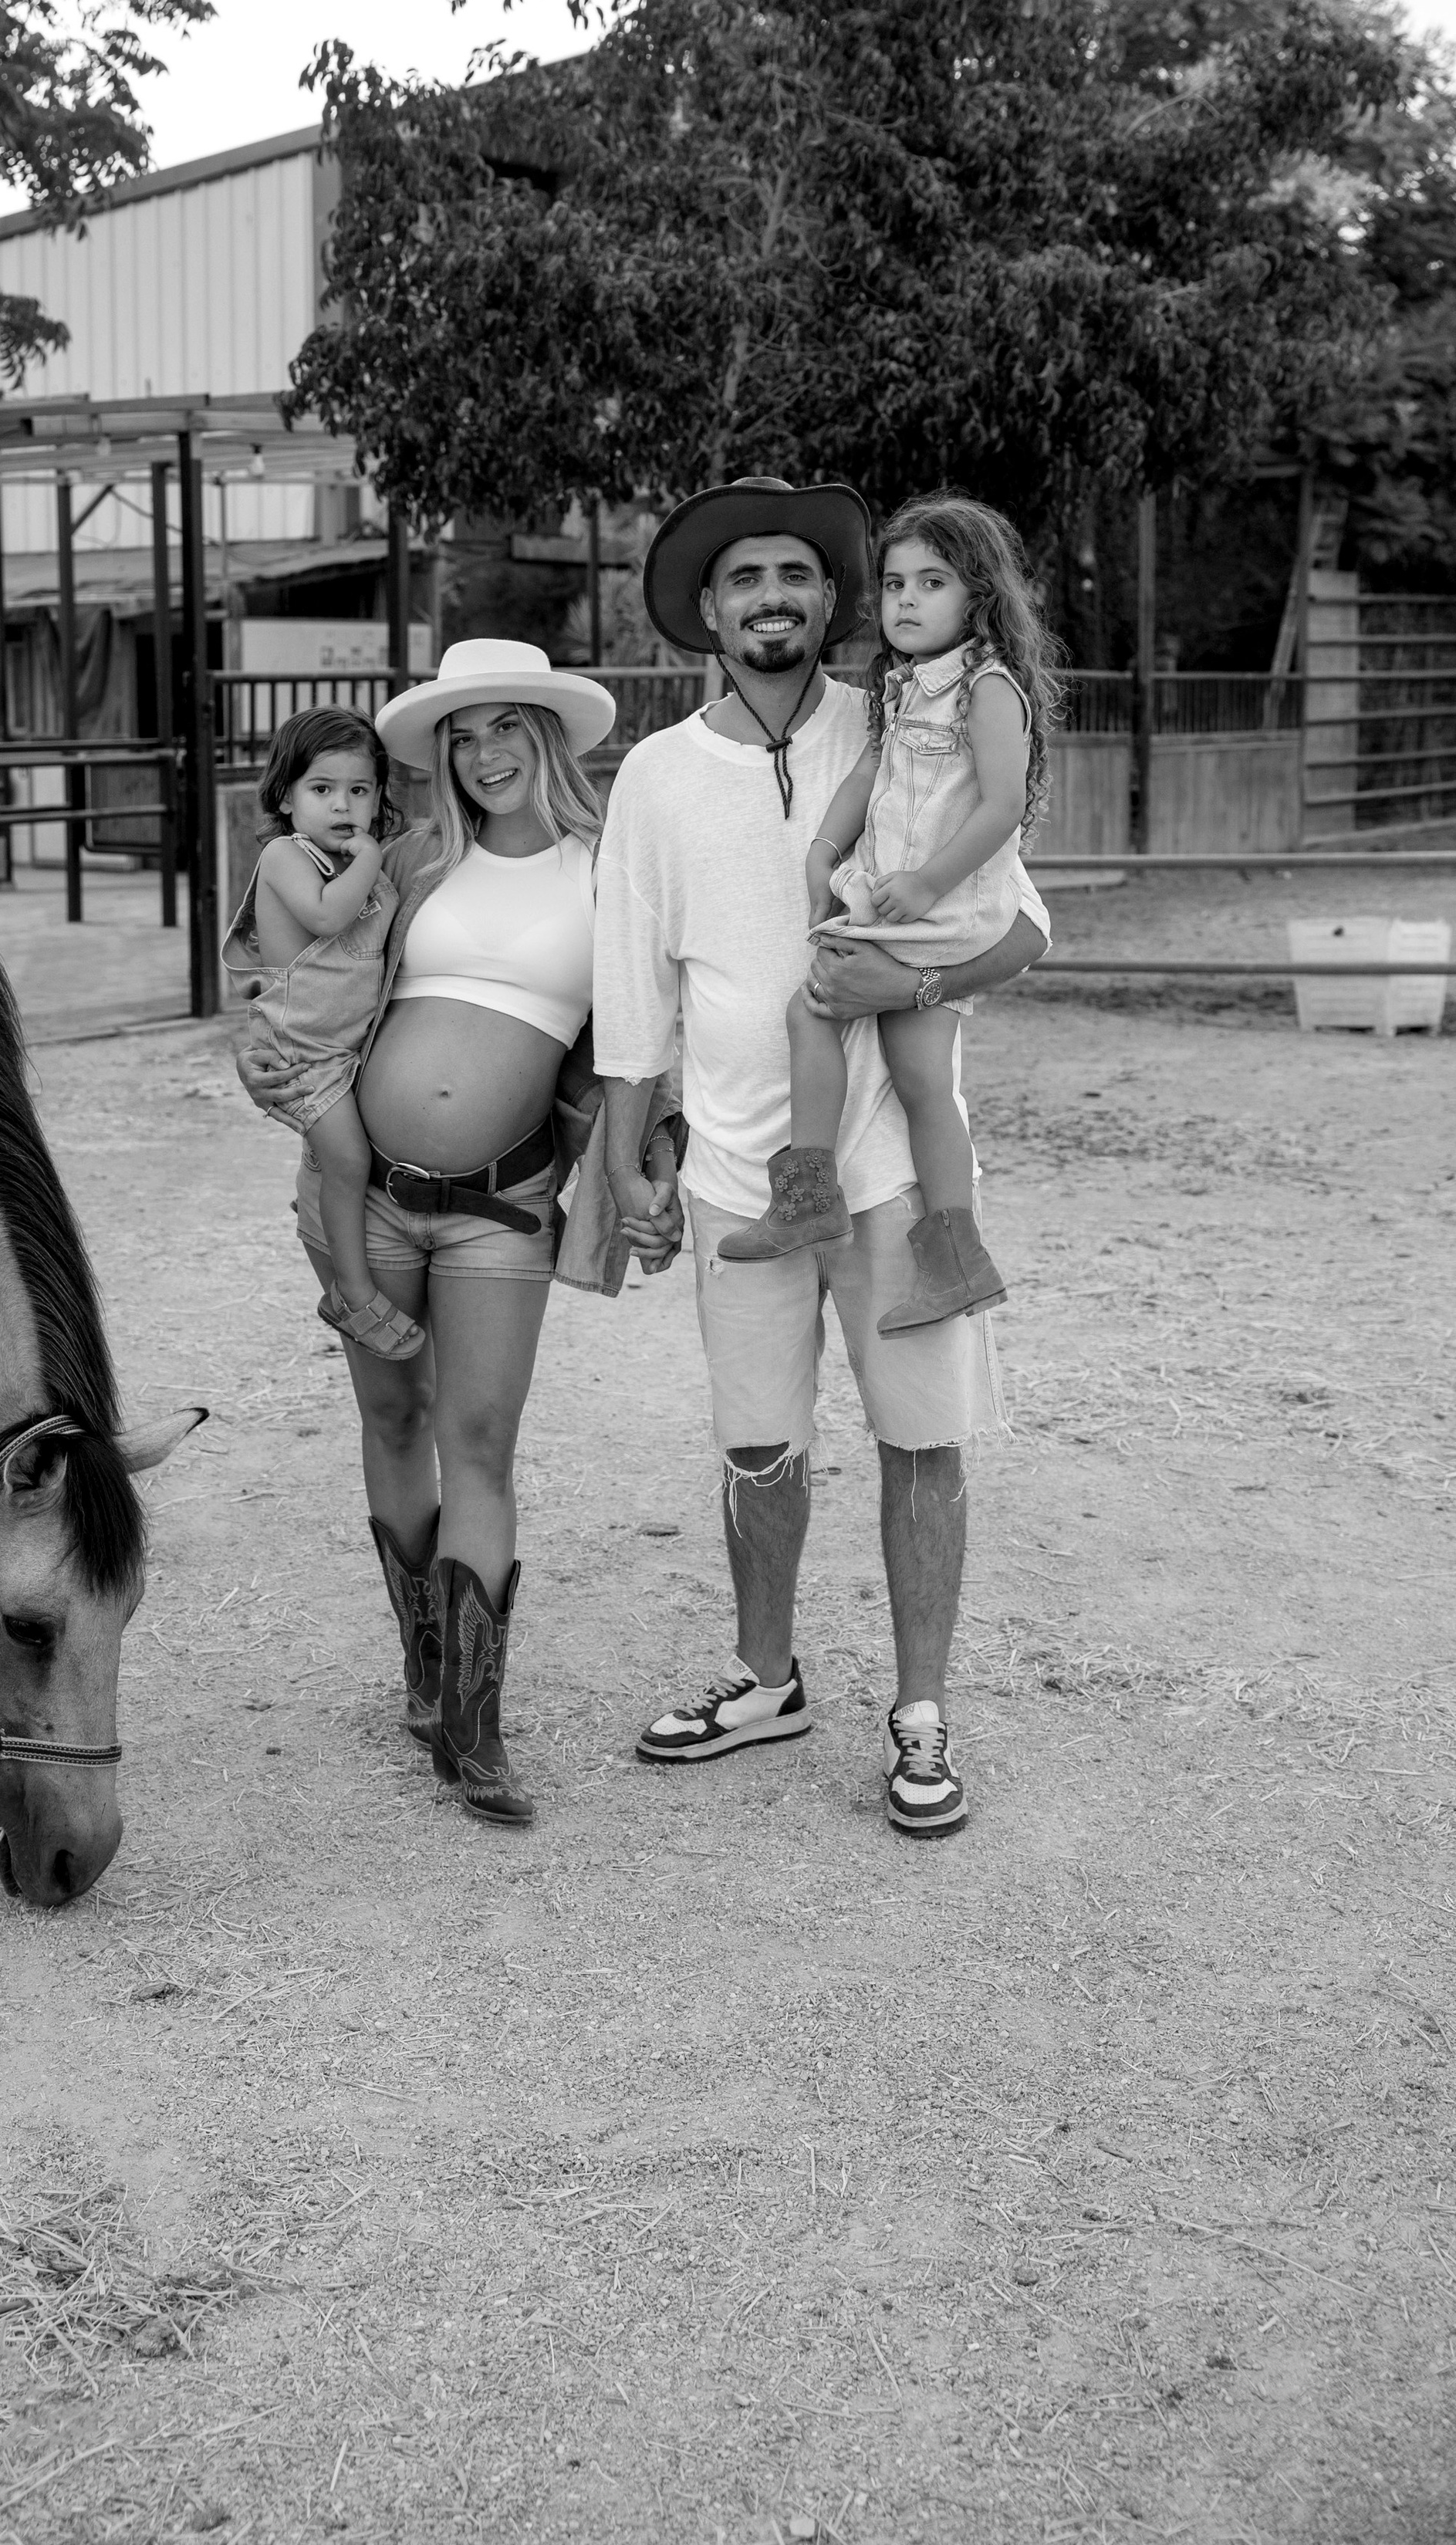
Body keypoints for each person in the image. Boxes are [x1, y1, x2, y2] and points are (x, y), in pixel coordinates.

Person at [591, 477, 1052, 1837]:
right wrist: (629, 1155)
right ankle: (765, 1674)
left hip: (892, 1174)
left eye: (797, 573)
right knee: (756, 1447)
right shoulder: (660, 776)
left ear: (832, 597)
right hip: (740, 1174)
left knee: (922, 1441)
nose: (773, 597)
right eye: (745, 580)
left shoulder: (914, 715)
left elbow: (1025, 925)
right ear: (709, 613)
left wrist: (888, 993)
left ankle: (919, 1712)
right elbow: (632, 985)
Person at [240, 639, 639, 1831]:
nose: (486, 752)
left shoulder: (610, 870)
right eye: (463, 735)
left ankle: (475, 1720)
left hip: (503, 1205)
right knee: (394, 1416)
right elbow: (289, 956)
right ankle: (422, 1665)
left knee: (478, 1441)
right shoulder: (408, 860)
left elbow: (641, 1033)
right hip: (367, 1193)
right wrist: (266, 1051)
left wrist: (644, 1158)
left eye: (508, 725)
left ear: (549, 736)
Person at [718, 494, 1060, 1336]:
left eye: (931, 582)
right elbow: (868, 776)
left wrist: (927, 882)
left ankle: (809, 1193)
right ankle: (957, 1261)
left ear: (977, 595)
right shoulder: (904, 687)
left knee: (815, 1008)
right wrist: (823, 849)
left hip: (941, 909)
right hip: (909, 902)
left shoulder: (988, 688)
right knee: (918, 1081)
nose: (904, 600)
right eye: (895, 583)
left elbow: (1001, 808)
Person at [223, 708, 424, 1363]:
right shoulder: (287, 855)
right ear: (286, 797)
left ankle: (332, 1238)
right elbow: (329, 915)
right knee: (348, 1161)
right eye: (322, 789)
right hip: (304, 1051)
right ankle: (353, 1293)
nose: (344, 805)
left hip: (343, 1049)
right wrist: (368, 857)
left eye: (359, 791)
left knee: (346, 1159)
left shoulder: (361, 861)